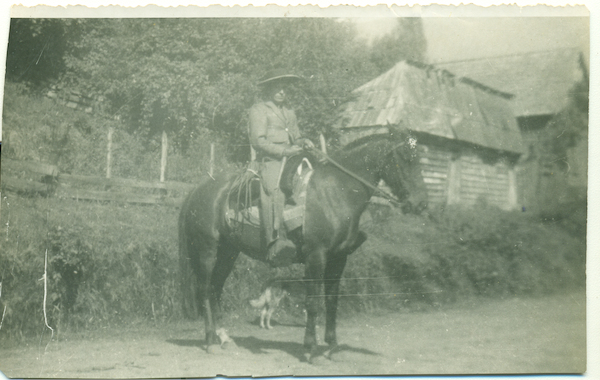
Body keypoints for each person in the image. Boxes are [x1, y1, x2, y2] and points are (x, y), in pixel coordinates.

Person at [248, 69, 313, 266]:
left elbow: (297, 137)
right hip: (271, 161)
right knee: (275, 192)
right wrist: (283, 152)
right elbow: (258, 142)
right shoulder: (259, 110)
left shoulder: (290, 112)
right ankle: (273, 243)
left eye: (285, 88)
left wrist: (305, 142)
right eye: (278, 87)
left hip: (292, 158)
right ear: (269, 89)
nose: (282, 92)